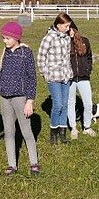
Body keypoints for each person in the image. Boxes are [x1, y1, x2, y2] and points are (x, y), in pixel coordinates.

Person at [0, 21, 40, 175]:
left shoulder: (26, 53)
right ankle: (11, 164)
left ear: (16, 38)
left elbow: (32, 79)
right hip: (5, 99)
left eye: (7, 38)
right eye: (3, 38)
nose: (4, 41)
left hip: (20, 98)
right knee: (9, 132)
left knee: (26, 131)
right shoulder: (5, 54)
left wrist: (29, 101)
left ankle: (34, 162)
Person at [37, 13, 73, 144]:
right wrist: (44, 73)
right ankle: (53, 133)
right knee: (57, 104)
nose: (68, 28)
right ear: (58, 25)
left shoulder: (67, 38)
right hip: (53, 76)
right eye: (66, 26)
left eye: (69, 26)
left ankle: (63, 134)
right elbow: (41, 57)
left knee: (64, 105)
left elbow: (67, 57)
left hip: (65, 76)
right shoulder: (49, 38)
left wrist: (69, 72)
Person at [67, 21, 97, 139]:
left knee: (88, 103)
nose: (69, 32)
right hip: (70, 78)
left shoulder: (85, 41)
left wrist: (88, 69)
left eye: (71, 29)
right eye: (67, 29)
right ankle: (73, 128)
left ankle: (87, 127)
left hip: (84, 77)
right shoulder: (64, 43)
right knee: (71, 103)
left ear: (75, 29)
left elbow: (89, 56)